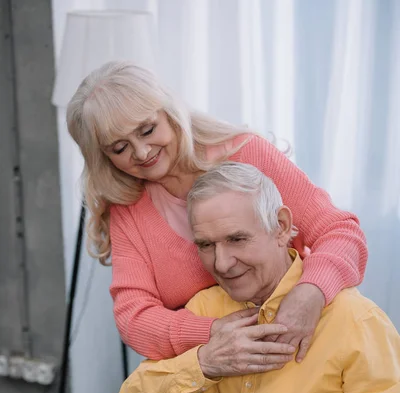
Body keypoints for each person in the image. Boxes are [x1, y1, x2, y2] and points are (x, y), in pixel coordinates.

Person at [118, 163, 400, 393]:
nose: (221, 263)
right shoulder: (205, 307)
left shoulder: (353, 319)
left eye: (237, 239)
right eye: (206, 245)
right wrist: (205, 362)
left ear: (281, 227)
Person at [66, 61, 368, 370]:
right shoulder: (128, 209)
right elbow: (134, 317)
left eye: (147, 130)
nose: (142, 152)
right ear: (103, 158)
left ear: (169, 114)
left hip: (299, 351)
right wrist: (214, 334)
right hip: (209, 373)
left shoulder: (247, 154)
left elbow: (340, 231)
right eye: (120, 148)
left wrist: (311, 292)